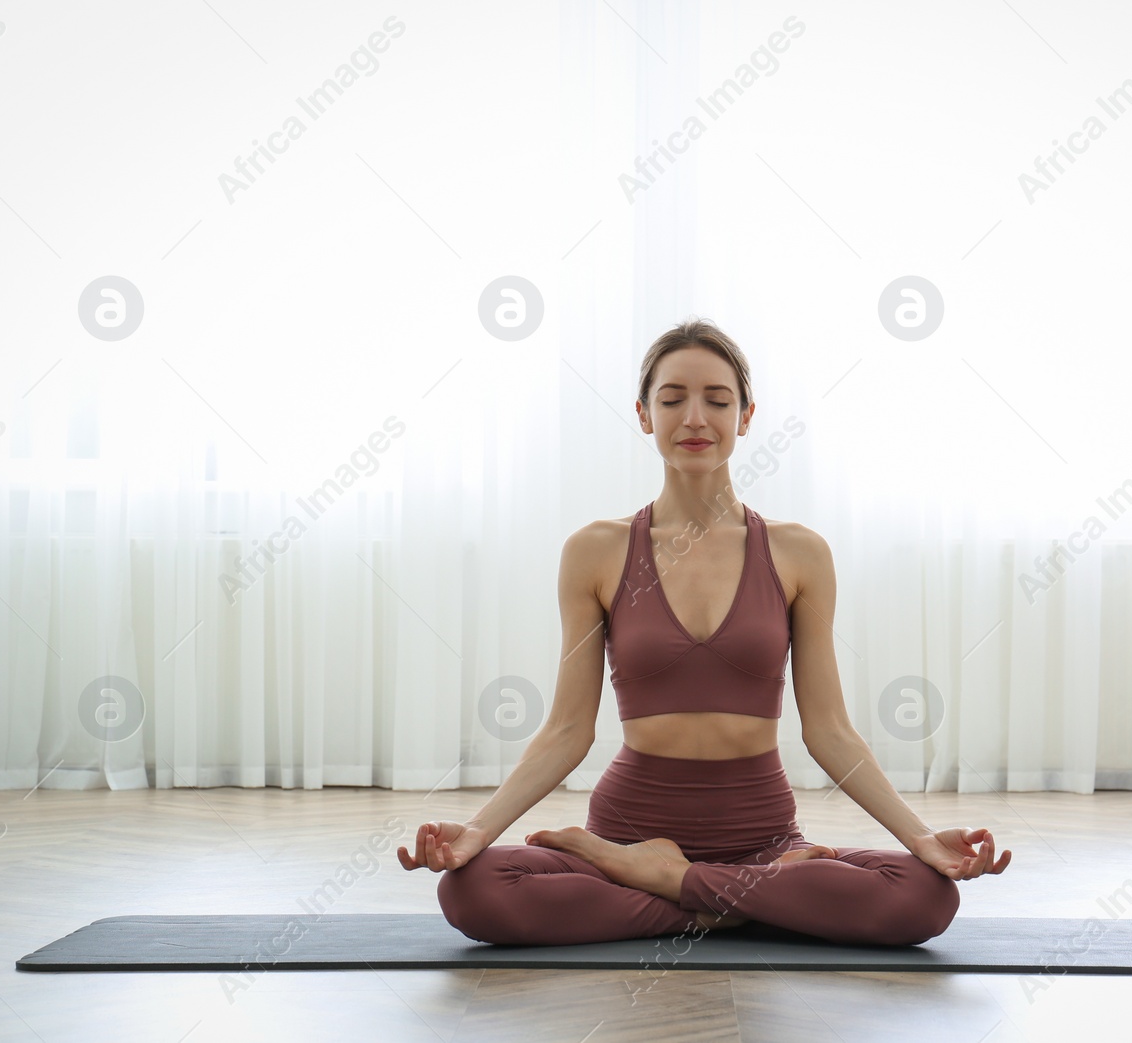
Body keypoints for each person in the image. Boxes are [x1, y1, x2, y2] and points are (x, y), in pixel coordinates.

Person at [397, 317, 1011, 945]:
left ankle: (664, 883)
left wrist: (920, 839)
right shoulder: (597, 550)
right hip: (628, 831)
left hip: (762, 839)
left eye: (718, 400)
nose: (695, 418)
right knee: (472, 891)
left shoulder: (800, 553)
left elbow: (829, 729)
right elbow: (566, 730)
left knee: (923, 899)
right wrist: (478, 832)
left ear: (746, 417)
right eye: (672, 400)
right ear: (644, 414)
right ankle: (731, 902)